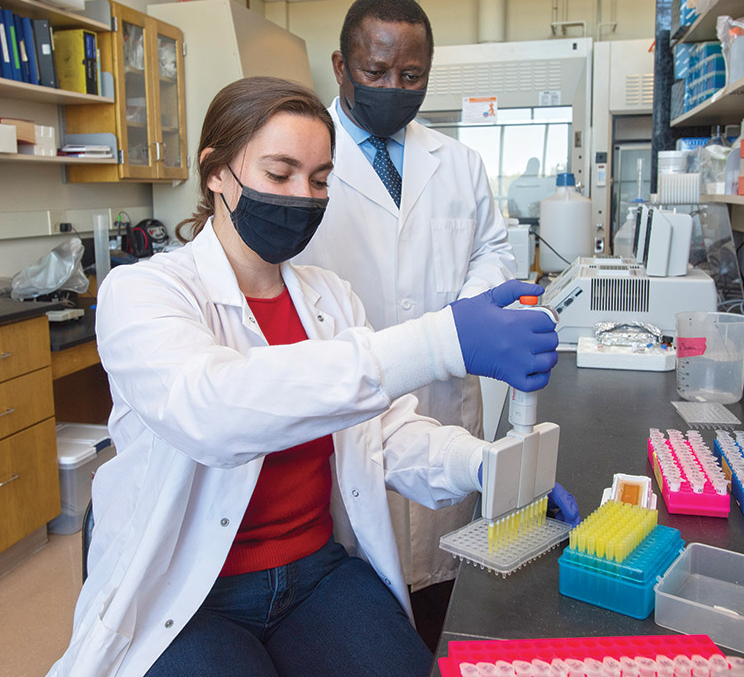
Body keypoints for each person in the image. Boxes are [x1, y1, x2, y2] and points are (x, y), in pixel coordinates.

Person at [46, 76, 559, 677]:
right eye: (279, 173)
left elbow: (385, 433)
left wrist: (487, 466)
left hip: (315, 572)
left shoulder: (330, 298)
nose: (302, 196)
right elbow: (214, 411)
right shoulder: (144, 292)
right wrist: (441, 341)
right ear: (216, 171)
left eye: (318, 180)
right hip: (191, 590)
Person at [295, 0, 517, 619]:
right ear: (341, 67)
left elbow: (492, 251)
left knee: (444, 587)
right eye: (376, 72)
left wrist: (461, 322)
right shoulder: (303, 164)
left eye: (411, 75)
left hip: (445, 396)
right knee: (354, 589)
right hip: (347, 401)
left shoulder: (460, 163)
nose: (394, 86)